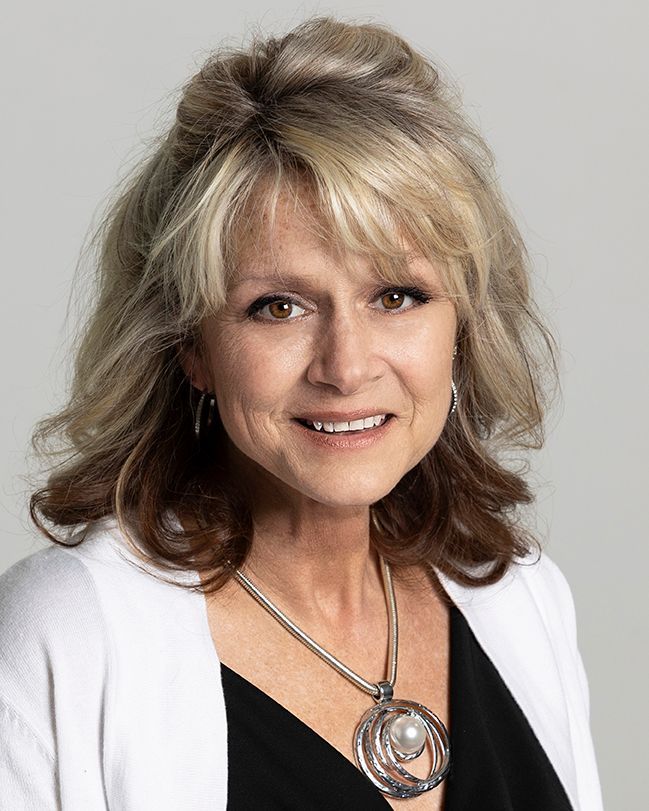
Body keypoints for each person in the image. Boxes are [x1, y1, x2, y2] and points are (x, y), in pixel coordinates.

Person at [0, 15, 602, 811]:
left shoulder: (519, 593)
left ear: (461, 326)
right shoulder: (69, 635)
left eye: (397, 295)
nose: (346, 365)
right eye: (277, 306)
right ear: (192, 346)